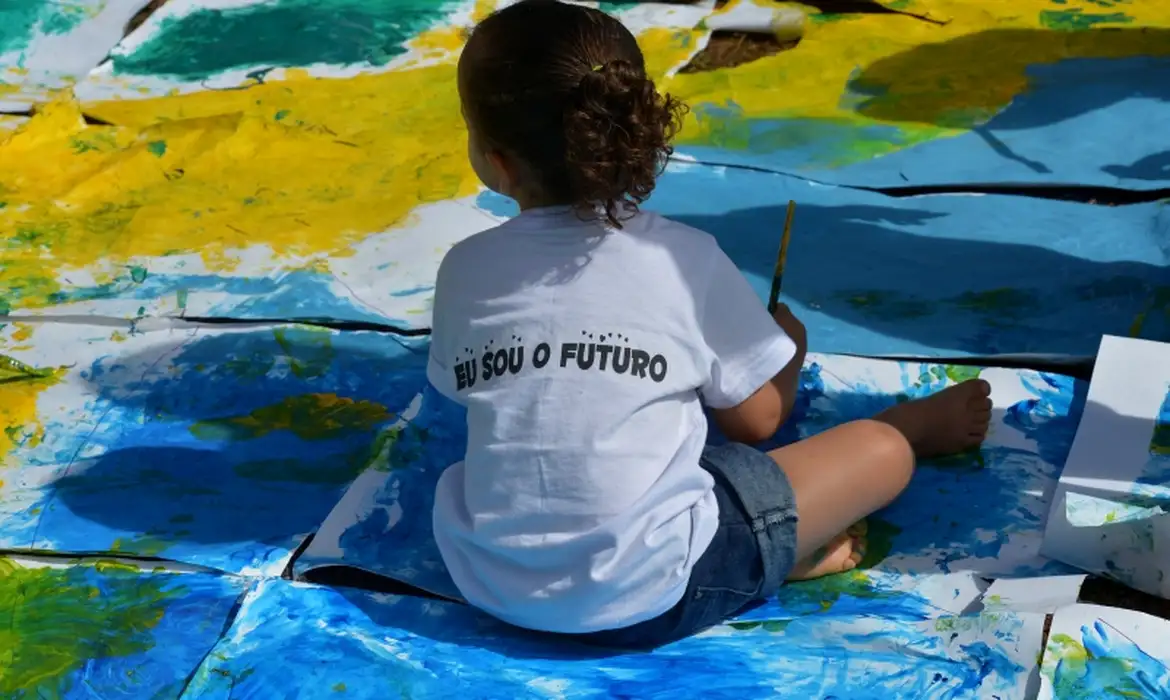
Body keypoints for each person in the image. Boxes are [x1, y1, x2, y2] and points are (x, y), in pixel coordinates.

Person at [426, 0, 992, 649]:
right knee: (878, 453)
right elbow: (754, 424)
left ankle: (783, 551)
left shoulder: (464, 268)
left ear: (495, 160)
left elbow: (479, 390)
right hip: (660, 590)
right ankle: (909, 433)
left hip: (492, 584)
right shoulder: (682, 258)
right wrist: (789, 352)